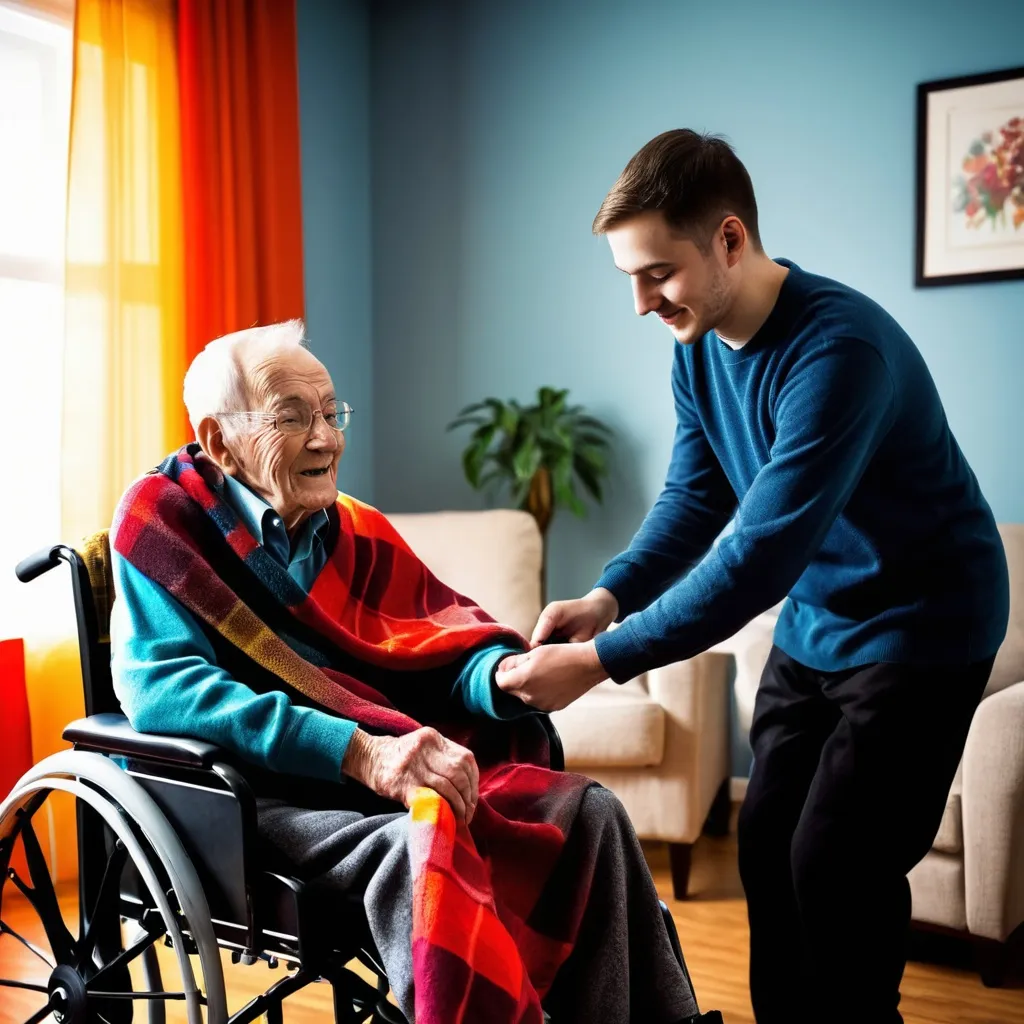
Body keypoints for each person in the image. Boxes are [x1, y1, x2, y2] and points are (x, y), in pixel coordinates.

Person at [495, 130, 1010, 1023]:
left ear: (729, 240)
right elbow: (696, 497)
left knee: (838, 861)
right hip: (822, 620)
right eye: (629, 277)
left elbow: (757, 555)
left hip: (925, 626)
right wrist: (609, 596)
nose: (641, 302)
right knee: (768, 842)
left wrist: (604, 660)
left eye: (658, 273)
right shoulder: (696, 346)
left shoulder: (841, 352)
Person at [109, 320, 713, 1024]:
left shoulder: (354, 528)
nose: (327, 439)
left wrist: (501, 676)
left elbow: (428, 642)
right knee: (425, 850)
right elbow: (166, 690)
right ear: (219, 441)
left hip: (375, 774)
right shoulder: (162, 523)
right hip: (259, 795)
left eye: (332, 413)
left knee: (589, 814)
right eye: (292, 418)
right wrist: (359, 752)